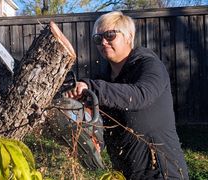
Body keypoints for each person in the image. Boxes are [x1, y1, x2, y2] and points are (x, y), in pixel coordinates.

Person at [66, 11, 189, 179]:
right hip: (125, 172)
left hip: (161, 171)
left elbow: (140, 95)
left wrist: (92, 88)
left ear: (129, 36)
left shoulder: (149, 65)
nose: (103, 42)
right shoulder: (105, 77)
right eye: (98, 38)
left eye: (110, 35)